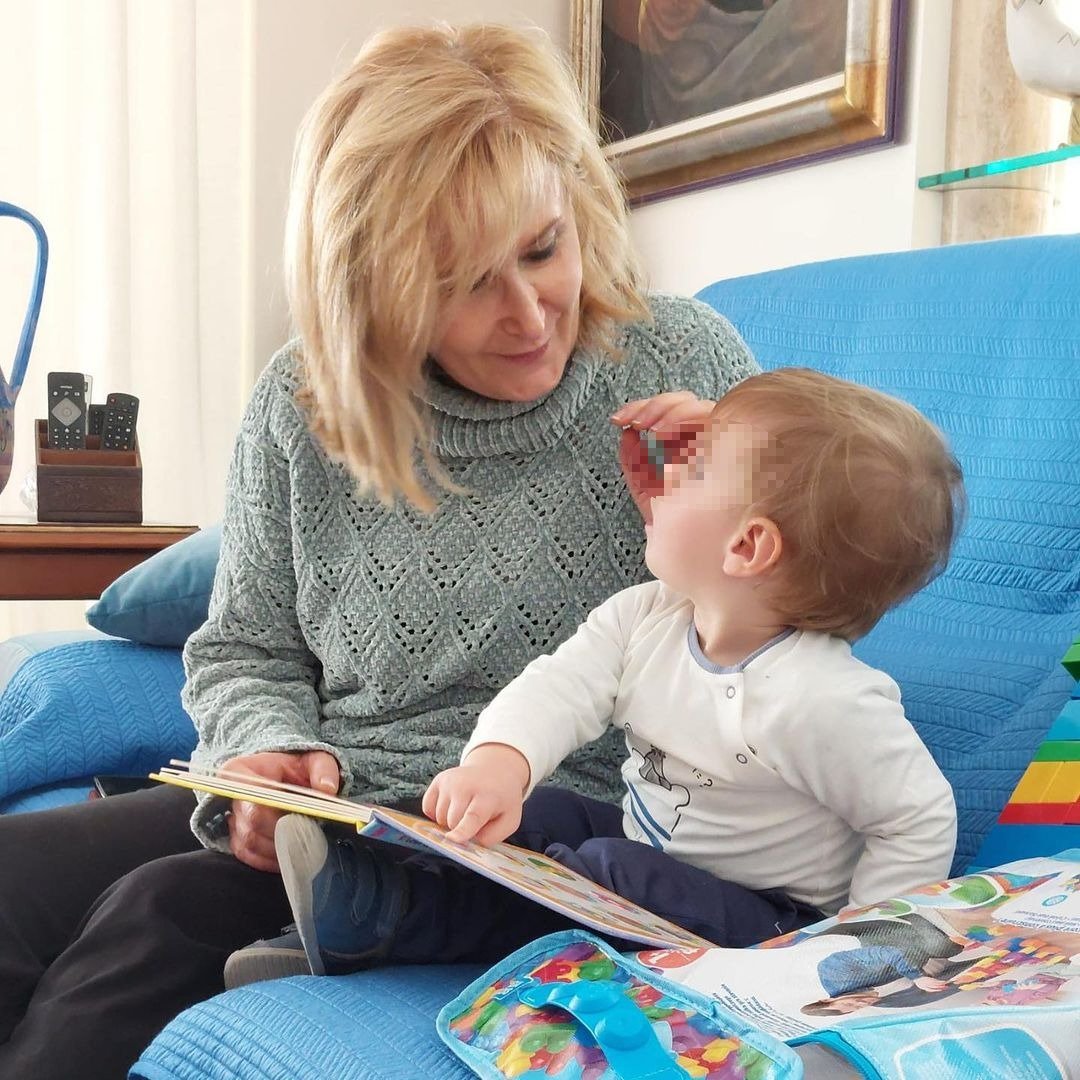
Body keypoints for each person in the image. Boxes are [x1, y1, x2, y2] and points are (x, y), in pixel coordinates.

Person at [0, 23, 759, 1079]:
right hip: (334, 803)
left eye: (544, 247)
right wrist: (259, 757)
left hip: (537, 832)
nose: (530, 312)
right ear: (374, 281)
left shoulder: (685, 359)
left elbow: (785, 650)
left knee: (152, 917)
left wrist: (715, 529)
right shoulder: (302, 407)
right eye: (463, 280)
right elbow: (246, 649)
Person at [231, 367, 964, 983]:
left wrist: (860, 947)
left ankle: (394, 922)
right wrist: (498, 765)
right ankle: (375, 893)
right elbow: (559, 687)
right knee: (542, 810)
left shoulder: (820, 699)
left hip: (767, 916)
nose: (668, 472)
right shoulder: (648, 615)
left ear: (746, 546)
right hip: (656, 857)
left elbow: (916, 815)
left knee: (605, 867)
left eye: (697, 468)